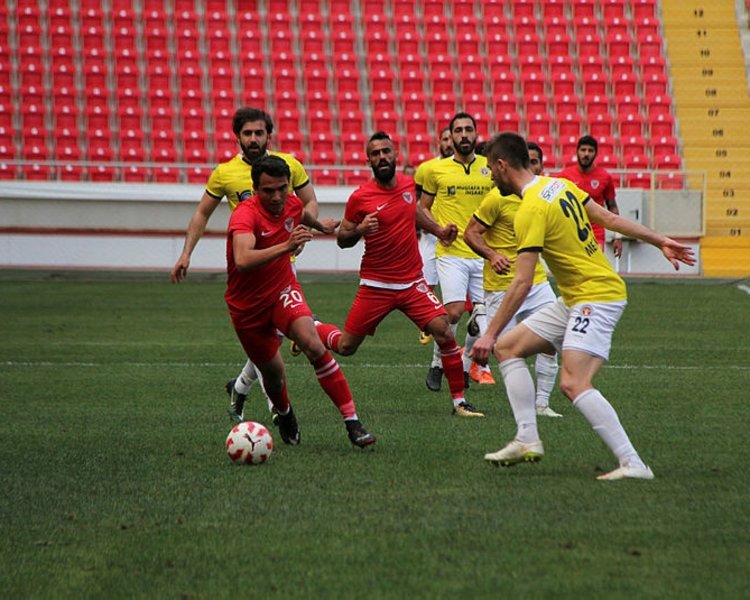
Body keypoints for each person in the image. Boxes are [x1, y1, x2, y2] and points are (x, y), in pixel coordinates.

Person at [470, 132, 695, 480]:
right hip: (577, 296)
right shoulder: (558, 185)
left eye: (490, 168)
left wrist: (488, 333)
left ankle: (633, 463)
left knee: (573, 383)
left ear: (501, 165)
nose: (490, 176)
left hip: (597, 297)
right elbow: (609, 219)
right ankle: (527, 439)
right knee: (508, 348)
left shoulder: (530, 209)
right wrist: (660, 239)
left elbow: (522, 282)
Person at [170, 107, 327, 423]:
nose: (253, 139)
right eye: (247, 133)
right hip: (251, 266)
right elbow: (202, 213)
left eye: (259, 133)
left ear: (269, 135)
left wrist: (301, 229)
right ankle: (254, 394)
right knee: (272, 339)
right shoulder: (225, 173)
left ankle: (252, 394)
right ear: (238, 137)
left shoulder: (288, 165)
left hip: (283, 262)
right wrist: (186, 253)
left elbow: (309, 201)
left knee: (276, 337)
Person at [311, 131, 482, 418]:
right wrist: (360, 229)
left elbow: (413, 211)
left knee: (443, 330)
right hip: (376, 285)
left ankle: (459, 402)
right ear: (368, 161)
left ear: (395, 155)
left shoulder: (406, 185)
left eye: (385, 152)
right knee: (346, 346)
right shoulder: (360, 197)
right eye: (375, 154)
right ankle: (312, 327)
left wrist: (439, 231)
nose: (381, 157)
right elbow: (342, 239)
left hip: (412, 283)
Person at [225, 154, 376, 448]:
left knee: (314, 346)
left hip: (282, 291)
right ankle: (284, 412)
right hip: (247, 308)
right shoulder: (245, 215)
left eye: (282, 188)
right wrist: (287, 245)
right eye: (269, 191)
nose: (277, 197)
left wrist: (321, 226)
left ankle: (353, 422)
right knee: (275, 376)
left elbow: (300, 212)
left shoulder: (291, 203)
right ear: (255, 190)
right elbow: (242, 259)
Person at [463, 141, 562, 418]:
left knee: (553, 338)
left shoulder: (544, 194)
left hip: (536, 281)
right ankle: (474, 340)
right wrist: (492, 255)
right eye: (528, 161)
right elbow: (470, 233)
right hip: (502, 286)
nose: (532, 166)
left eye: (535, 161)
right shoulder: (496, 198)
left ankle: (541, 404)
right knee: (503, 349)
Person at [419, 112, 496, 401]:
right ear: (450, 136)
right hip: (451, 253)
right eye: (458, 131)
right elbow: (422, 207)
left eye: (468, 130)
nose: (464, 135)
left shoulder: (489, 168)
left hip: (483, 253)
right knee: (453, 312)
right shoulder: (435, 170)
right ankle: (437, 363)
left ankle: (463, 367)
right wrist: (438, 229)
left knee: (483, 319)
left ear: (476, 134)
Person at [414, 126, 454, 347]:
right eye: (444, 139)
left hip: (455, 236)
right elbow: (418, 200)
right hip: (431, 235)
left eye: (451, 139)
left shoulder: (462, 170)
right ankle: (426, 322)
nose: (448, 143)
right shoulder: (426, 168)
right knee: (426, 284)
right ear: (439, 142)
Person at [556, 135, 623, 259]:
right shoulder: (564, 176)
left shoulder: (604, 177)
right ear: (577, 152)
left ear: (596, 153)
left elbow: (612, 206)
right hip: (571, 230)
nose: (586, 154)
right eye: (583, 150)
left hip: (596, 231)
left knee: (595, 264)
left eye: (590, 150)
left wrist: (617, 236)